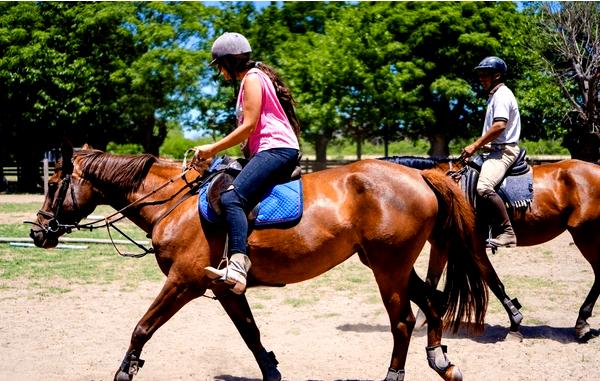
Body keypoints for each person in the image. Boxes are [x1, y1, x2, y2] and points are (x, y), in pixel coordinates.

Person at [194, 32, 301, 294]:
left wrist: (212, 148)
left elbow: (250, 126)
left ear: (229, 61)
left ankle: (239, 265)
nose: (219, 73)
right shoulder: (254, 79)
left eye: (219, 65)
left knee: (232, 198)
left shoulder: (252, 79)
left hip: (275, 148)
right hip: (267, 150)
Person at [461, 56, 520, 248]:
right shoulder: (494, 95)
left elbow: (500, 126)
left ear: (497, 75)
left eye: (485, 74)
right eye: (480, 74)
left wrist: (474, 146)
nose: (481, 78)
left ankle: (507, 232)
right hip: (494, 150)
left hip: (504, 152)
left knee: (483, 187)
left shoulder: (502, 95)